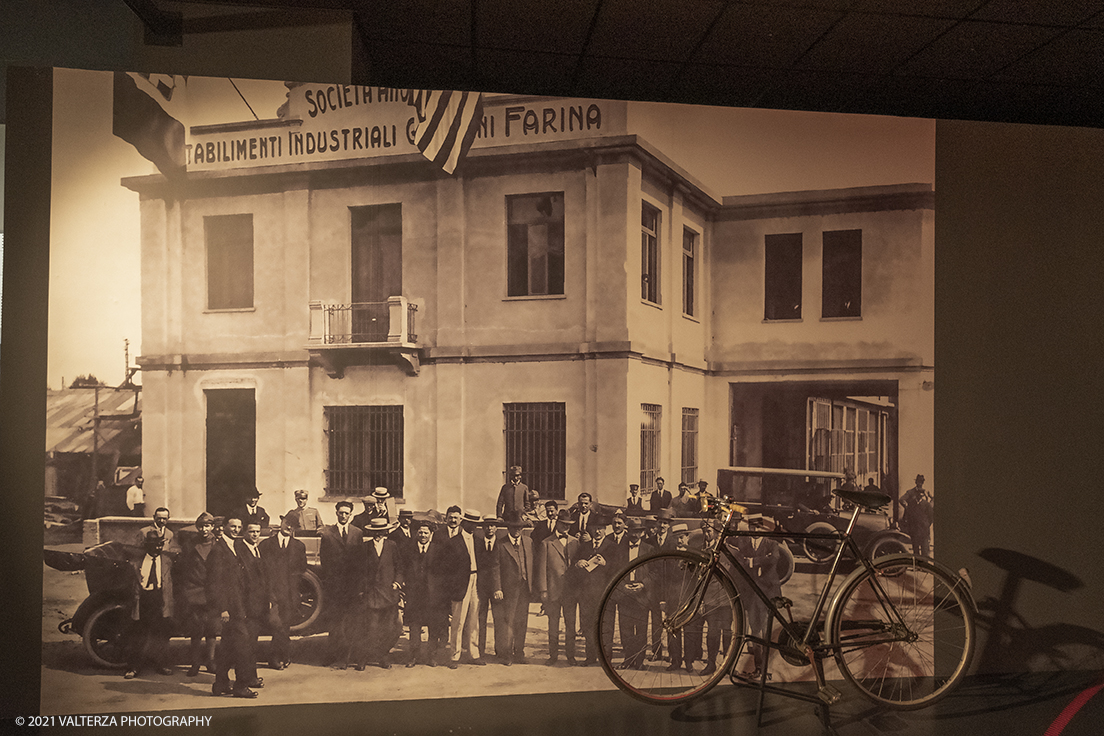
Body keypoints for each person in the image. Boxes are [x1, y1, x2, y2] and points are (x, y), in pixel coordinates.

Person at [207, 515, 258, 698]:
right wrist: (222, 609)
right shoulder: (218, 550)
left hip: (240, 605)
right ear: (224, 527)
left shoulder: (237, 546)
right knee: (243, 646)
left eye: (239, 526)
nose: (236, 529)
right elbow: (214, 583)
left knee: (228, 647)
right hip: (229, 608)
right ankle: (240, 686)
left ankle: (220, 684)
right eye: (233, 526)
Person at [732, 514, 784, 676]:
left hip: (768, 593)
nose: (754, 530)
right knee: (756, 629)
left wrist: (753, 561)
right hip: (752, 593)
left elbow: (774, 558)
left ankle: (764, 667)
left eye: (757, 527)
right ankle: (759, 667)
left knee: (766, 629)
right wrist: (761, 559)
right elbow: (740, 560)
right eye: (751, 527)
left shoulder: (771, 543)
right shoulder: (745, 544)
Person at [352, 518, 404, 669]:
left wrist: (397, 582)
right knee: (370, 628)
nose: (378, 534)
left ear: (385, 532)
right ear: (371, 532)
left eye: (381, 531)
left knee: (387, 628)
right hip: (372, 594)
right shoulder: (365, 547)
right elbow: (359, 571)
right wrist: (362, 589)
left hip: (389, 594)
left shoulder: (392, 546)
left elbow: (400, 567)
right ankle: (363, 658)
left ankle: (383, 656)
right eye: (375, 532)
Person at [123, 530, 175, 680]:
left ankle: (161, 664)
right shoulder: (136, 563)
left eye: (160, 545)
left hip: (160, 600)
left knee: (161, 634)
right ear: (147, 546)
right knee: (139, 635)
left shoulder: (166, 561)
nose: (157, 548)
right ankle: (134, 667)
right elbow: (131, 586)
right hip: (143, 600)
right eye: (154, 545)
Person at [258, 516, 307, 670]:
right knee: (276, 624)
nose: (290, 528)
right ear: (282, 523)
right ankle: (276, 656)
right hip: (270, 592)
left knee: (285, 625)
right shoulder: (266, 545)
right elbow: (259, 570)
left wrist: (295, 589)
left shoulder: (299, 546)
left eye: (293, 526)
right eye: (288, 524)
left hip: (289, 594)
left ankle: (281, 656)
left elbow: (302, 569)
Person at [320, 500, 364, 669]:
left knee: (353, 623)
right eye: (341, 512)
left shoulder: (357, 533)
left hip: (352, 587)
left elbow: (360, 561)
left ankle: (351, 657)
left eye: (347, 513)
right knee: (334, 623)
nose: (344, 515)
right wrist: (330, 583)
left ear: (351, 514)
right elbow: (324, 561)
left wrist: (358, 586)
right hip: (335, 587)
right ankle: (332, 655)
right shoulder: (327, 533)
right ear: (336, 513)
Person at [177, 511, 220, 677]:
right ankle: (194, 664)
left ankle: (210, 661)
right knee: (196, 631)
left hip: (213, 593)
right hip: (194, 592)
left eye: (207, 525)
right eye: (201, 526)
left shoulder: (219, 544)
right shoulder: (189, 546)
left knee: (212, 630)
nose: (204, 529)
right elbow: (183, 569)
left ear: (212, 527)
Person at [537, 510, 580, 665]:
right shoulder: (546, 543)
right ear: (557, 523)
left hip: (570, 592)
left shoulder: (575, 542)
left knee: (571, 625)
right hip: (553, 591)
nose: (566, 527)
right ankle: (553, 656)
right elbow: (541, 569)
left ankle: (570, 656)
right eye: (563, 524)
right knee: (553, 625)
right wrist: (543, 590)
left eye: (569, 525)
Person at [492, 514, 534, 665]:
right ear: (509, 528)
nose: (517, 530)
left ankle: (519, 652)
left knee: (522, 621)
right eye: (514, 528)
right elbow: (495, 567)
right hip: (508, 590)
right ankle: (507, 654)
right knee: (508, 622)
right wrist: (497, 588)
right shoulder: (500, 544)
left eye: (520, 528)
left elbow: (531, 564)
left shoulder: (528, 542)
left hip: (525, 589)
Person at [404, 520, 444, 667]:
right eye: (420, 532)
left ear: (431, 534)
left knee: (433, 627)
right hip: (414, 596)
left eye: (426, 533)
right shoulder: (409, 549)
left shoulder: (438, 550)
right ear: (416, 533)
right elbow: (403, 569)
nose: (422, 535)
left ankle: (431, 657)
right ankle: (413, 657)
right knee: (414, 628)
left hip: (432, 596)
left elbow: (443, 574)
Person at [446, 509, 483, 666]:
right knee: (458, 621)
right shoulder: (453, 542)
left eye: (475, 524)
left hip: (476, 580)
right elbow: (447, 568)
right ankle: (455, 655)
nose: (473, 526)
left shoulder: (479, 541)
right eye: (471, 523)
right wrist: (452, 586)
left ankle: (474, 654)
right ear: (464, 522)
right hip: (461, 583)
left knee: (474, 620)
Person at [235, 521, 268, 690]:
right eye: (251, 531)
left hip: (258, 605)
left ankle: (252, 677)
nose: (255, 534)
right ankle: (245, 679)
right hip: (247, 606)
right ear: (245, 533)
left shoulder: (258, 549)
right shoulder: (240, 550)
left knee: (252, 643)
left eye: (257, 531)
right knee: (245, 645)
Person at [473, 516, 502, 664]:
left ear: (496, 528)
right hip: (481, 587)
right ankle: (480, 651)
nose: (490, 528)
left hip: (498, 589)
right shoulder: (476, 544)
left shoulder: (501, 544)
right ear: (483, 528)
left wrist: (499, 587)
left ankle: (500, 651)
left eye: (492, 526)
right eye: (487, 526)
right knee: (480, 619)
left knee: (499, 619)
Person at [900, 474, 934, 557]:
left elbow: (930, 515)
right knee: (915, 548)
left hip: (923, 527)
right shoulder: (910, 492)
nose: (920, 483)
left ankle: (924, 566)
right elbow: (901, 499)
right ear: (916, 482)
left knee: (925, 549)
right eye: (918, 481)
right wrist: (907, 507)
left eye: (921, 482)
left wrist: (926, 524)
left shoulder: (926, 493)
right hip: (914, 525)